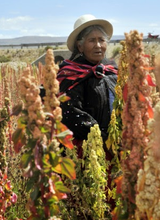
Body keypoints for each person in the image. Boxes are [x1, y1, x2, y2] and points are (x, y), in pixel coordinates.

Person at [57, 14, 118, 157]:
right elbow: (70, 113)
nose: (98, 45)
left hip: (115, 147)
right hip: (85, 151)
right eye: (92, 40)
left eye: (101, 40)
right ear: (80, 46)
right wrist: (100, 136)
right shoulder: (71, 74)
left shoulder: (112, 71)